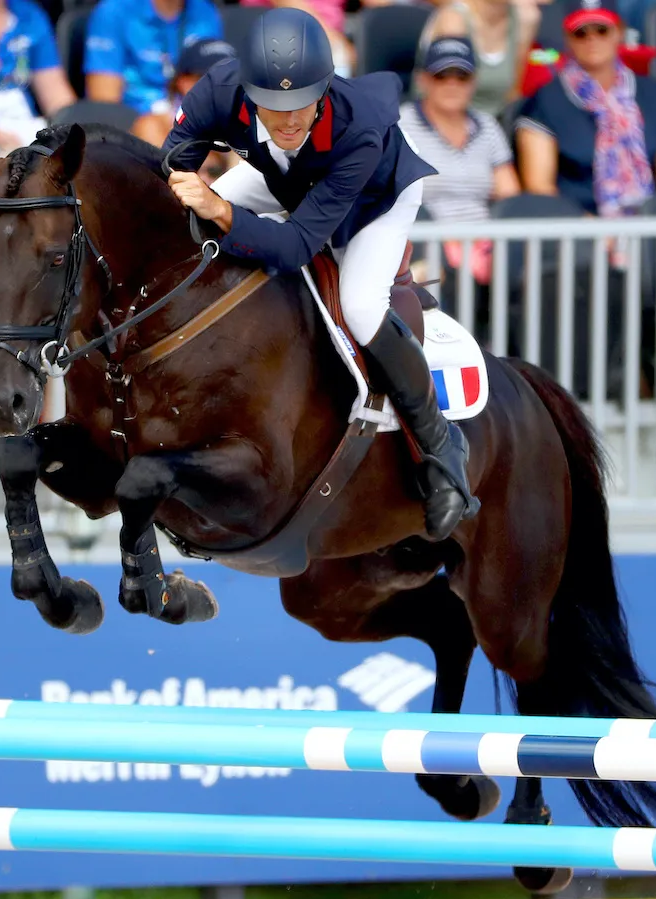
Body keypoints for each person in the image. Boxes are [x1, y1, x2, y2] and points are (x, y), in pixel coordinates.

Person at [165, 7, 477, 541]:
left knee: (358, 305)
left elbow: (296, 245)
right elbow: (173, 157)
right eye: (272, 107)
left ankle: (441, 444)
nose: (287, 121)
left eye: (301, 105)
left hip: (374, 196)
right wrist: (189, 184)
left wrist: (219, 210)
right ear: (246, 91)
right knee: (183, 229)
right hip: (282, 177)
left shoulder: (361, 130)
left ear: (326, 88)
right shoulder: (220, 89)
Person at [514, 0, 656, 213]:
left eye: (602, 30)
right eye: (580, 32)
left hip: (648, 227)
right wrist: (590, 231)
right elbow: (540, 190)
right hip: (576, 232)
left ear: (619, 32)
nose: (592, 39)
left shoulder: (649, 92)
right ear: (567, 39)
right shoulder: (545, 100)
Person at [397, 36, 518, 284]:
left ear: (474, 82)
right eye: (441, 76)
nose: (452, 85)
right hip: (424, 246)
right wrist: (446, 247)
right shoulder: (400, 124)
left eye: (461, 77)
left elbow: (510, 195)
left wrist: (488, 248)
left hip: (485, 249)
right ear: (423, 80)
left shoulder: (487, 126)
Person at [84, 0, 222, 120]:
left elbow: (211, 89)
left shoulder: (206, 12)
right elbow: (104, 106)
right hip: (136, 128)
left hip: (188, 121)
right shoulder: (113, 12)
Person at [132, 36, 238, 183]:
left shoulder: (246, 121)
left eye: (230, 79)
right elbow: (164, 180)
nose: (223, 87)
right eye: (212, 79)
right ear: (183, 82)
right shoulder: (153, 125)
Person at [415, 0, 538, 118]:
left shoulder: (524, 18)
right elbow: (448, 94)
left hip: (495, 125)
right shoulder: (454, 20)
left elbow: (513, 91)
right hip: (443, 123)